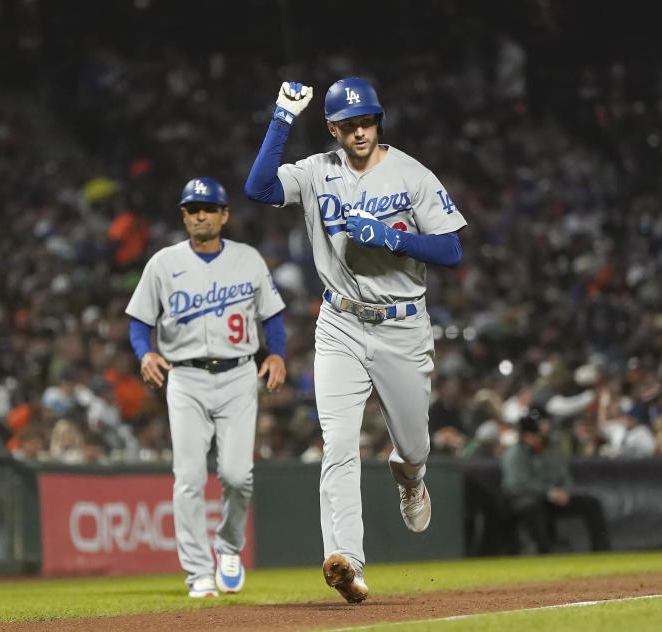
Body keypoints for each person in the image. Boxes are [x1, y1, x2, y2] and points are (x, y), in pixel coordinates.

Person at [244, 78, 466, 602]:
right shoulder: (317, 171)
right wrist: (281, 118)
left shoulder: (410, 172)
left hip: (402, 324)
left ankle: (409, 476)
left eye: (366, 121)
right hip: (340, 323)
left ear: (377, 121)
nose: (359, 131)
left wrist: (391, 237)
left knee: (413, 445)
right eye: (348, 124)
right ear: (333, 129)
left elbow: (451, 250)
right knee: (338, 445)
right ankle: (348, 561)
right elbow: (258, 189)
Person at [125, 177, 286, 598]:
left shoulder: (248, 259)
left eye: (208, 208)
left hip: (238, 375)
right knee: (189, 478)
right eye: (193, 208)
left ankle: (229, 547)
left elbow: (272, 316)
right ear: (183, 215)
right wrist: (145, 353)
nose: (200, 214)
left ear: (224, 215)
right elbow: (139, 320)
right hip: (185, 377)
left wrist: (277, 353)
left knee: (237, 475)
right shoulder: (162, 263)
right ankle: (198, 572)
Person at [500, 410, 611, 554]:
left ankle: (601, 550)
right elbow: (517, 485)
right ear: (524, 435)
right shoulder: (515, 454)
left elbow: (564, 477)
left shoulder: (551, 451)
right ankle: (546, 550)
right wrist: (550, 492)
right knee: (534, 506)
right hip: (523, 501)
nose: (536, 437)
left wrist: (564, 491)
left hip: (552, 499)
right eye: (532, 434)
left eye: (537, 434)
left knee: (591, 503)